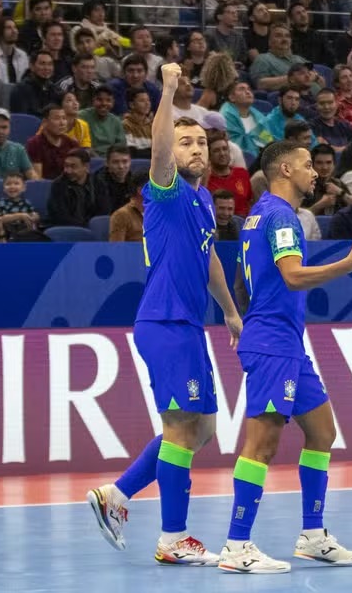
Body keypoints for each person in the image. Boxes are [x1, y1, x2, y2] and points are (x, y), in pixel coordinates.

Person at [85, 63, 243, 565]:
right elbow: (157, 149)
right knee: (180, 429)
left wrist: (231, 313)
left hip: (190, 328)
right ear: (170, 155)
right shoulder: (166, 189)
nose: (197, 148)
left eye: (202, 141)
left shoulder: (200, 200)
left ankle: (117, 495)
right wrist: (170, 91)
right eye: (186, 142)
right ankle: (174, 538)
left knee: (203, 430)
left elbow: (211, 258)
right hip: (165, 324)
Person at [218, 140, 352, 574]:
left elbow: (246, 279)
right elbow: (292, 276)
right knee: (261, 445)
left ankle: (313, 535)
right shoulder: (281, 215)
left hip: (283, 340)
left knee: (322, 431)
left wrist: (247, 320)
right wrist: (349, 263)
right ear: (284, 169)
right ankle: (237, 544)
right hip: (273, 345)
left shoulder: (258, 215)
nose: (316, 173)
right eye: (308, 165)